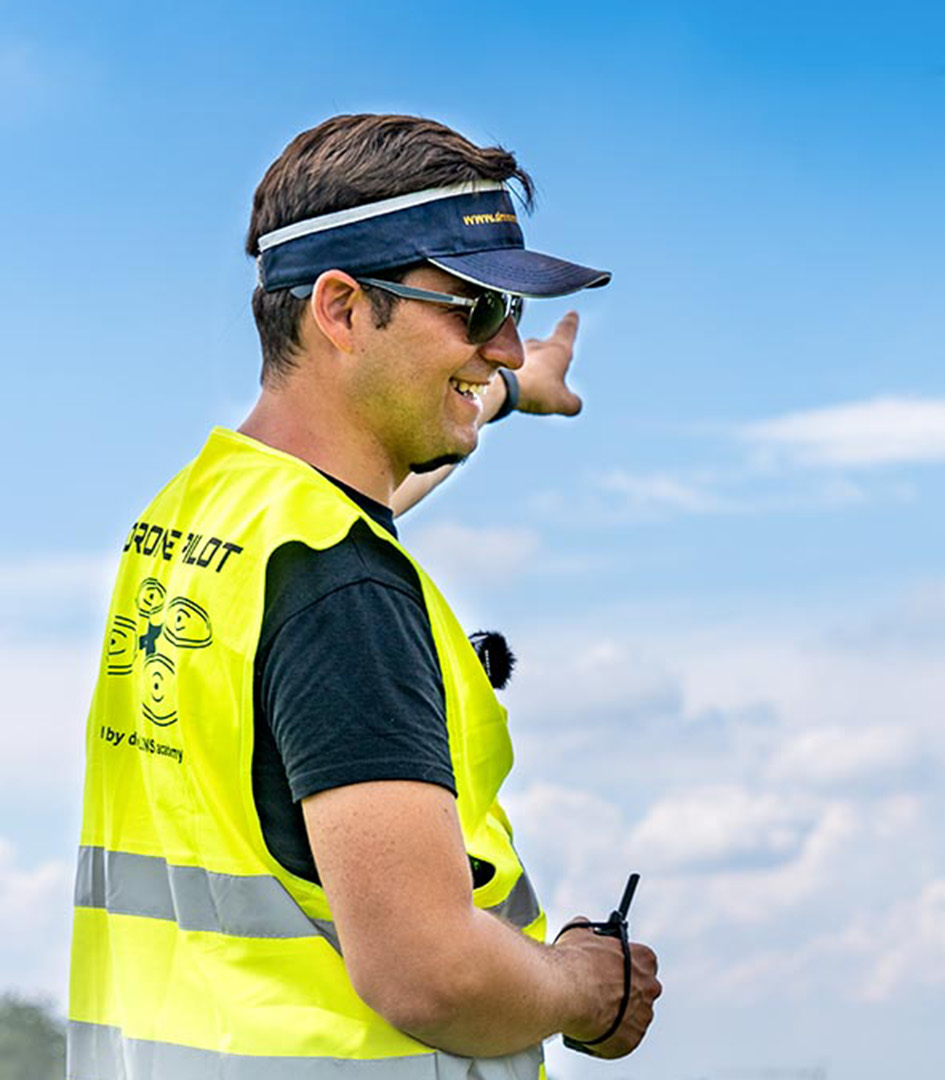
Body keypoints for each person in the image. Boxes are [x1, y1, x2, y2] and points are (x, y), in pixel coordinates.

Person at [69, 113, 660, 1078]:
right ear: (342, 311)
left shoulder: (208, 515)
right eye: (474, 309)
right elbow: (428, 974)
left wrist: (505, 396)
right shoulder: (343, 591)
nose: (504, 346)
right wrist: (584, 989)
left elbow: (363, 499)